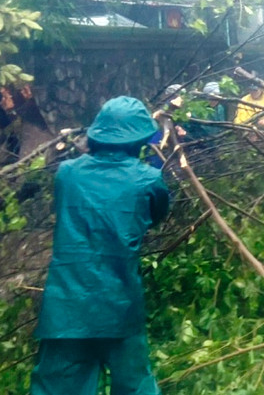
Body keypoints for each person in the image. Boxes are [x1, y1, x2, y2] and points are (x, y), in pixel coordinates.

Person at [31, 96, 169, 395]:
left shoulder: (66, 173)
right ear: (140, 140)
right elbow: (155, 216)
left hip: (67, 306)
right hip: (120, 302)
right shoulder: (149, 179)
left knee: (57, 388)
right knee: (135, 386)